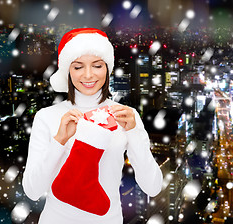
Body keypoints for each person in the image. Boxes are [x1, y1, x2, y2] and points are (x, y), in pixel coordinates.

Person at [22, 28, 163, 224]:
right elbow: (32, 190)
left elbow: (153, 187)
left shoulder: (125, 115)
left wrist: (135, 133)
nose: (88, 75)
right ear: (67, 71)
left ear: (107, 67)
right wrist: (59, 141)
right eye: (78, 67)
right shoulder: (47, 117)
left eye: (97, 65)